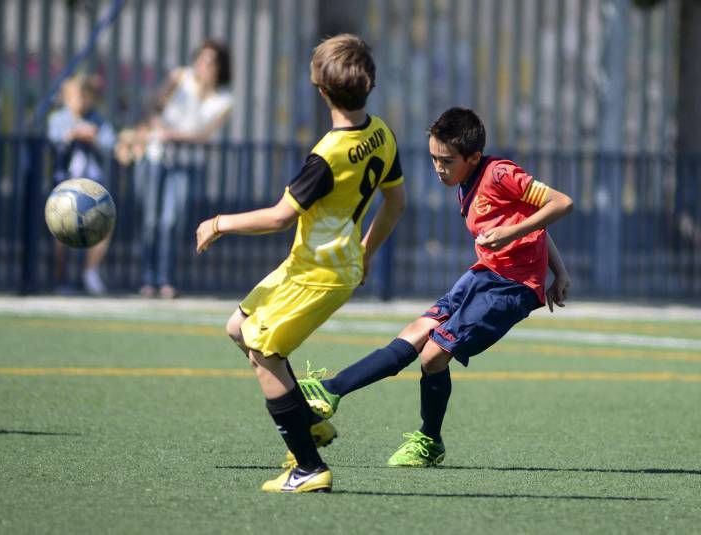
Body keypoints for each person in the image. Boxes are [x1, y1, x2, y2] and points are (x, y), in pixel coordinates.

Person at [297, 106, 573, 468]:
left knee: (433, 355)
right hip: (483, 274)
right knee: (416, 331)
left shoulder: (501, 173)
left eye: (446, 161)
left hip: (512, 288)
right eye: (433, 158)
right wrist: (559, 271)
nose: (438, 168)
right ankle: (331, 390)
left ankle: (429, 441)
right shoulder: (465, 184)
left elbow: (560, 203)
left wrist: (523, 244)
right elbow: (530, 218)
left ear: (473, 157)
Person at [196, 34, 407, 493]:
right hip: (313, 266)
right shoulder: (382, 133)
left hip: (319, 274)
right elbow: (395, 203)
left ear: (320, 89)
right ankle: (309, 419)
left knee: (264, 353)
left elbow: (278, 216)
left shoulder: (327, 155)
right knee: (238, 327)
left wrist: (219, 222)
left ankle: (309, 467)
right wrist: (367, 252)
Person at [118, 39, 233, 299]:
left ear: (219, 67)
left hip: (188, 164)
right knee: (150, 220)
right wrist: (153, 125)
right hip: (156, 156)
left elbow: (204, 135)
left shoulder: (224, 99)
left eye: (210, 61)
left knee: (172, 221)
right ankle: (148, 278)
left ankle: (165, 279)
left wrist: (173, 135)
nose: (203, 65)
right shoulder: (180, 77)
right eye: (201, 59)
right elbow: (154, 106)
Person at [47, 72, 116, 295]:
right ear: (67, 98)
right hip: (65, 186)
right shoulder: (58, 119)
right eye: (77, 96)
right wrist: (71, 136)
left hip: (93, 189)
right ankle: (60, 278)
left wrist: (93, 138)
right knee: (62, 230)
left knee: (103, 227)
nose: (82, 102)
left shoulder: (99, 121)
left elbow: (109, 144)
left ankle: (90, 272)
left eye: (86, 97)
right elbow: (54, 140)